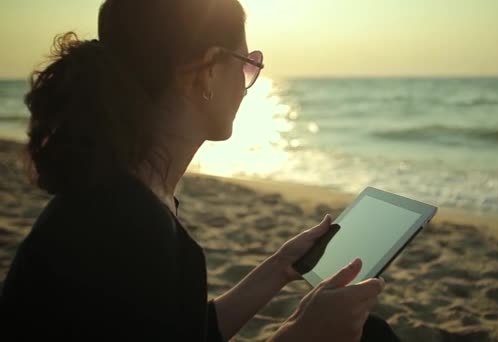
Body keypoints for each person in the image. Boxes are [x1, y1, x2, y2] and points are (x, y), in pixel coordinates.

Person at [0, 0, 401, 341]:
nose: (248, 83)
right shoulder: (128, 227)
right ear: (208, 72)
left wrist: (278, 270)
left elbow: (178, 329)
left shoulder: (125, 191)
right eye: (248, 65)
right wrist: (295, 337)